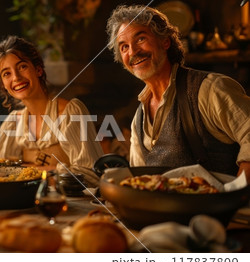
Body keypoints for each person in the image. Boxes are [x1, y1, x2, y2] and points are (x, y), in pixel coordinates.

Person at [106, 5, 250, 181]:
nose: (133, 52)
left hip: (216, 208)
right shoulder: (139, 118)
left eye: (141, 38)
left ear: (165, 41)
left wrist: (237, 192)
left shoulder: (209, 89)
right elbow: (140, 179)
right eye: (124, 47)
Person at [0, 36, 103, 186]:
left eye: (22, 67)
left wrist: (30, 172)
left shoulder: (69, 112)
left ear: (38, 69)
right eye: (6, 73)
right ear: (3, 84)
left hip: (68, 204)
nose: (16, 77)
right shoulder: (13, 123)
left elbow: (91, 175)